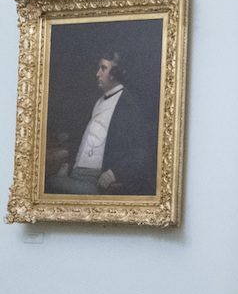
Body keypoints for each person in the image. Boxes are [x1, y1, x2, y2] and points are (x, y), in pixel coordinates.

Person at [46, 50, 157, 195]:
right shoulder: (98, 101)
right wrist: (68, 164)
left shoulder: (129, 106)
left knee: (51, 183)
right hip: (75, 173)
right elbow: (84, 140)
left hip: (96, 181)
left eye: (103, 68)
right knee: (52, 181)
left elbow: (141, 153)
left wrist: (113, 174)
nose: (97, 74)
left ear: (115, 73)